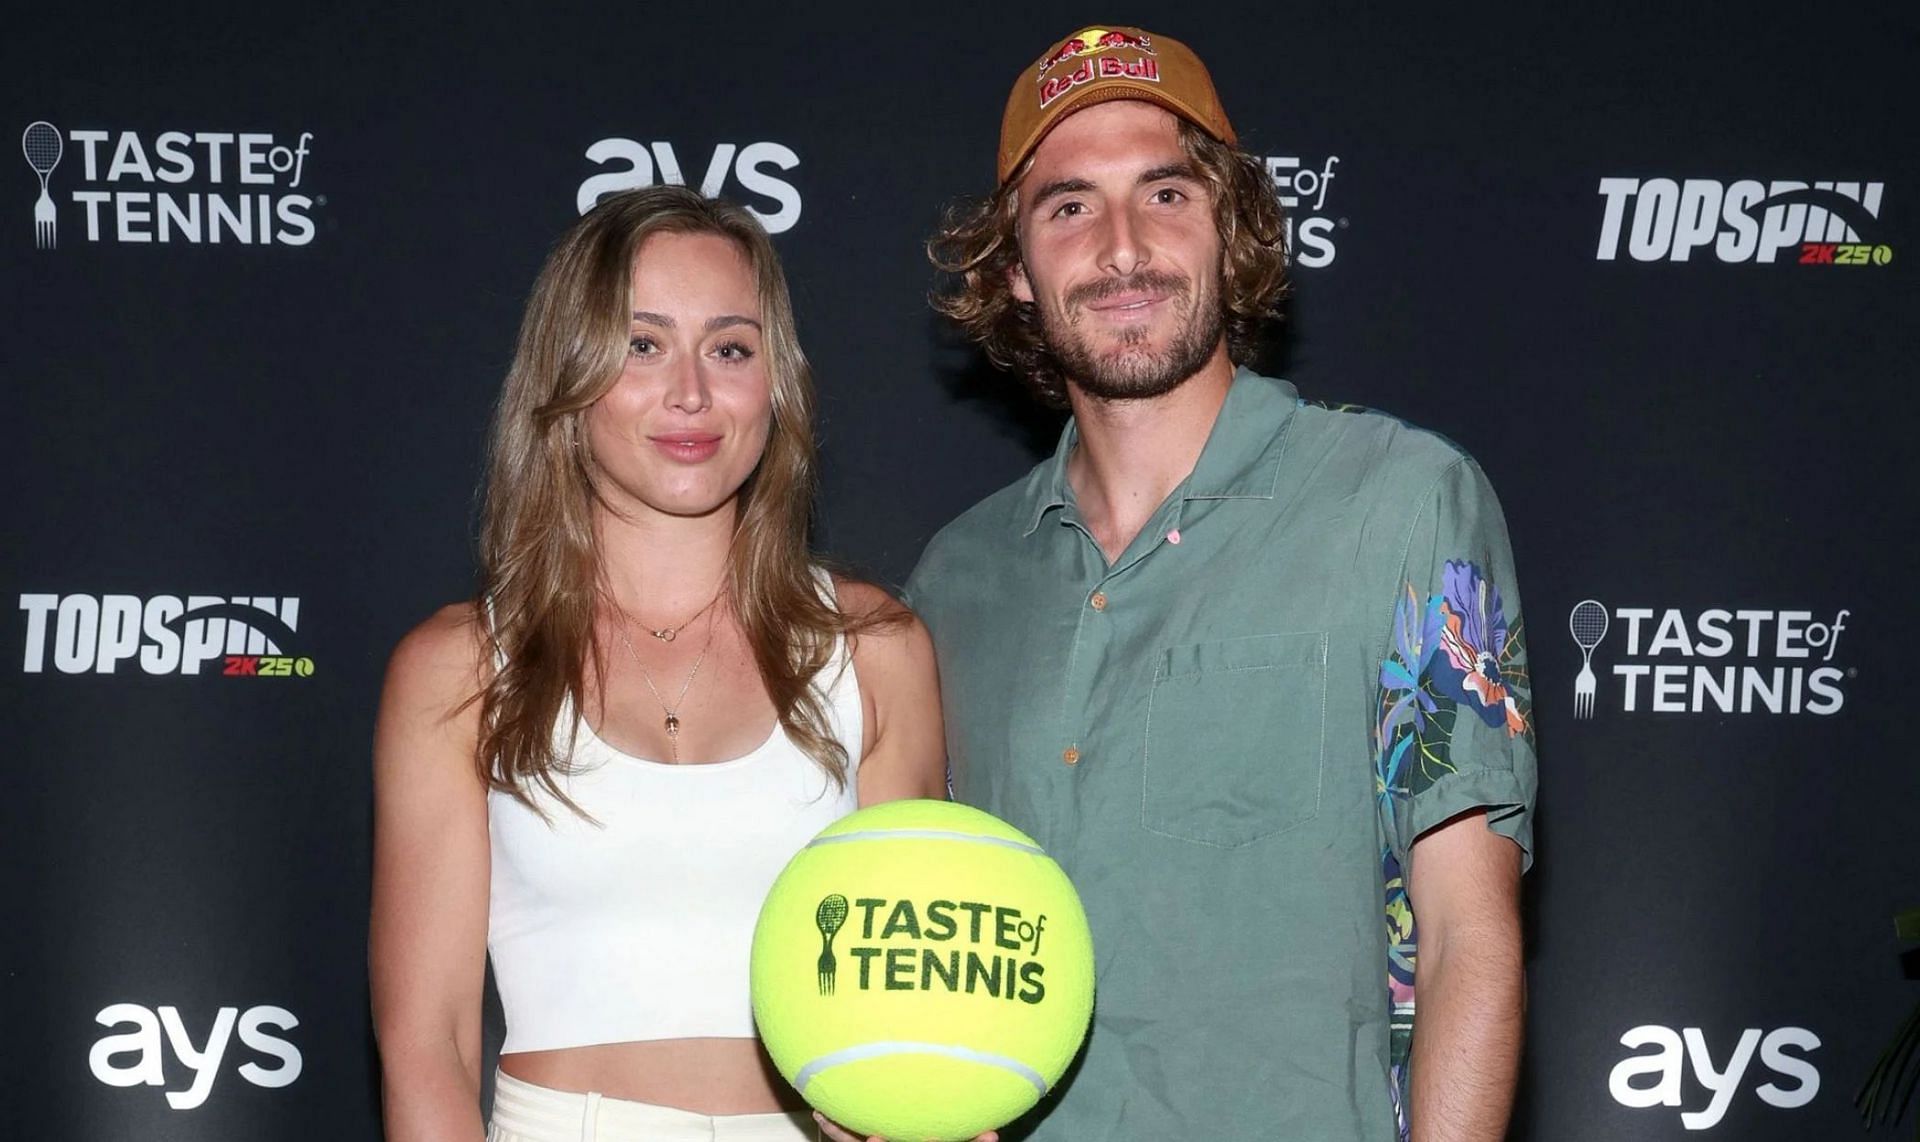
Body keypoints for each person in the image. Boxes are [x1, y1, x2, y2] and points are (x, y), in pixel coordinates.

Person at [899, 26, 1538, 1141]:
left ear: (1229, 228)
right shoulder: (957, 581)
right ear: (1014, 269)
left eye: (1165, 193)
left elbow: (1465, 935)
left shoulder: (1399, 501)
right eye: (1068, 207)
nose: (1124, 247)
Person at [369, 186, 948, 1142]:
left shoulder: (875, 650)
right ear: (569, 373)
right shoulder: (458, 669)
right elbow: (428, 1044)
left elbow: (908, 1006)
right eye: (642, 345)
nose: (691, 393)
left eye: (729, 348)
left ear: (776, 384)